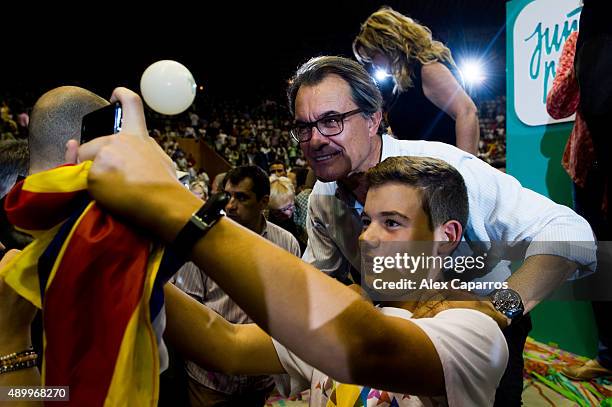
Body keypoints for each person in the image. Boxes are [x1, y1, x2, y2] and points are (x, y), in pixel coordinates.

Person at [284, 55, 594, 406]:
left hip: (482, 326)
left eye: (331, 121)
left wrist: (501, 307)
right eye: (304, 128)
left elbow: (570, 230)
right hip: (397, 330)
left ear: (373, 120)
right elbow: (319, 276)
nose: (315, 140)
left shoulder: (449, 171)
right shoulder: (323, 199)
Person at [173, 165, 300, 407]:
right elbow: (188, 315)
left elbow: (290, 310)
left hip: (263, 380)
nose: (230, 205)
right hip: (210, 381)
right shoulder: (200, 243)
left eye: (241, 197)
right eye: (227, 195)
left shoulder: (286, 244)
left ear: (263, 202)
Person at [547, 30, 612, 381]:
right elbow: (556, 104)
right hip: (591, 167)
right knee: (600, 263)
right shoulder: (579, 39)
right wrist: (583, 65)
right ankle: (608, 356)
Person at [353, 6, 479, 154]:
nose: (373, 65)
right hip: (422, 171)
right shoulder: (404, 82)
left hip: (443, 171)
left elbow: (467, 112)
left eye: (373, 56)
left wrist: (466, 171)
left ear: (388, 44)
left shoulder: (428, 70)